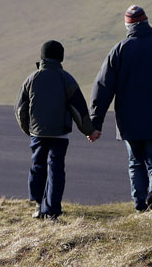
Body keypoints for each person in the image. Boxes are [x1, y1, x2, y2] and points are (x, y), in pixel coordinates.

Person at [88, 5, 152, 212]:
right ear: (147, 22)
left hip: (129, 121)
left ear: (128, 26)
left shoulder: (120, 50)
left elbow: (103, 88)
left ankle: (140, 205)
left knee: (136, 163)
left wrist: (95, 123)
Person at [15, 40, 98, 220]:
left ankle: (38, 204)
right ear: (61, 57)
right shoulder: (66, 78)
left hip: (37, 133)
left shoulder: (32, 79)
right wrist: (89, 131)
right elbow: (78, 109)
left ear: (42, 57)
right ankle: (51, 211)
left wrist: (28, 130)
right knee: (56, 169)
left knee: (38, 166)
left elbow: (20, 109)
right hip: (60, 134)